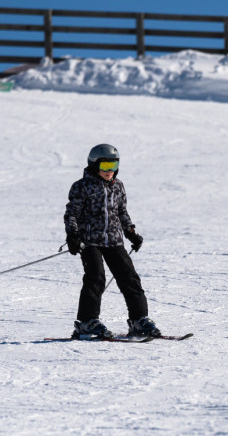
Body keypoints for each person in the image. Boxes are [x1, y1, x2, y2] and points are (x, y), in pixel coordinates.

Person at [64, 144, 161, 340]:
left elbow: (121, 212)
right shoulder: (81, 187)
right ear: (93, 165)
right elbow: (71, 214)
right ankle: (86, 322)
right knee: (96, 277)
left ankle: (139, 319)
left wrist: (130, 232)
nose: (110, 171)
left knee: (130, 278)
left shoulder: (118, 186)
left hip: (114, 240)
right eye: (105, 165)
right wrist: (72, 236)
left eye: (114, 165)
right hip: (90, 241)